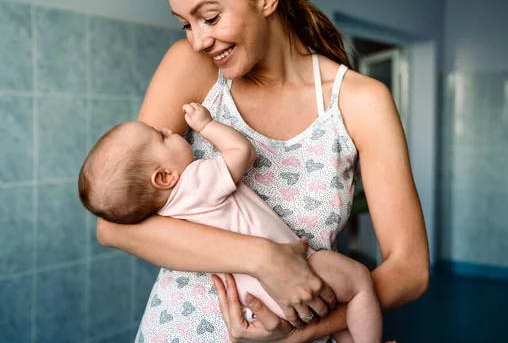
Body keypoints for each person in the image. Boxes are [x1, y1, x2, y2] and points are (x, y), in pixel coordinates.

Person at [95, 0, 430, 341]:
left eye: (210, 17)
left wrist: (299, 334)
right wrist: (264, 259)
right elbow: (114, 227)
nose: (199, 40)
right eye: (186, 23)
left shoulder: (361, 102)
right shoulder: (190, 66)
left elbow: (409, 270)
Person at [79, 103, 382, 342]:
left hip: (254, 303)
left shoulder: (166, 214)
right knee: (358, 281)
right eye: (161, 136)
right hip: (293, 275)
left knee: (340, 305)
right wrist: (206, 125)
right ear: (164, 177)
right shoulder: (195, 182)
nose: (167, 128)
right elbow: (242, 152)